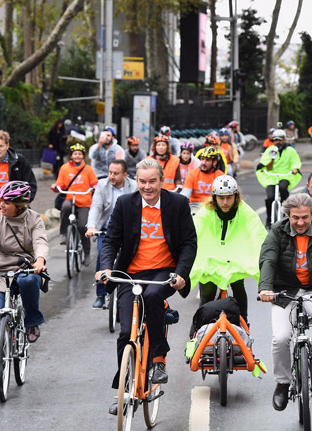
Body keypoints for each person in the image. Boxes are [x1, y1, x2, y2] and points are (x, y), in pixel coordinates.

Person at [96, 158, 196, 415]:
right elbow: (110, 241)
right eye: (142, 181)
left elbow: (188, 243)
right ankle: (124, 389)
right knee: (124, 333)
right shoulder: (125, 204)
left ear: (162, 181)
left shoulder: (178, 204)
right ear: (136, 180)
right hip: (131, 273)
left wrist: (181, 274)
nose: (147, 187)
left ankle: (159, 360)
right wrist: (107, 268)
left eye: (152, 181)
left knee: (152, 298)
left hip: (164, 272)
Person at [258, 193, 312, 411]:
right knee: (281, 338)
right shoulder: (277, 231)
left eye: (305, 217)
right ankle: (282, 383)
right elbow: (268, 259)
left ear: (311, 215)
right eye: (295, 217)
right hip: (284, 291)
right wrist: (265, 288)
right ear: (288, 216)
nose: (300, 222)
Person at [0, 181, 48, 381]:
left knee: (29, 281)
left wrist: (40, 260)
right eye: (1, 200)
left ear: (20, 204)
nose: (1, 205)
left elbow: (40, 241)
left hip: (25, 266)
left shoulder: (34, 219)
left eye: (6, 202)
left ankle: (32, 322)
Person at [190, 175, 267, 323]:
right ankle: (198, 331)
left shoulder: (244, 210)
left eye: (229, 198)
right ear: (214, 197)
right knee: (207, 294)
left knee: (238, 287)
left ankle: (244, 324)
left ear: (236, 197)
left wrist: (265, 256)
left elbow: (257, 233)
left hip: (235, 258)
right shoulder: (206, 211)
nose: (225, 202)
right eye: (221, 198)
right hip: (210, 258)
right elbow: (192, 233)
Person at [86, 159, 138, 309]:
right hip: (107, 230)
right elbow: (95, 207)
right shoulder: (102, 185)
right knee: (103, 256)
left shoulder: (134, 187)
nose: (111, 176)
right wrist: (91, 226)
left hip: (128, 231)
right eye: (110, 172)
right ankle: (101, 295)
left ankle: (132, 293)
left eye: (116, 173)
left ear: (125, 175)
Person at [51, 142, 98, 266]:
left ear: (83, 156)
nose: (77, 156)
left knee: (83, 226)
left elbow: (95, 183)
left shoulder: (88, 169)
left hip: (85, 201)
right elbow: (60, 183)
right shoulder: (64, 168)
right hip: (70, 198)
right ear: (71, 155)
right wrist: (56, 187)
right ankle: (64, 234)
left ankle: (86, 254)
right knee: (65, 207)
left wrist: (94, 187)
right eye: (75, 154)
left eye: (80, 154)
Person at [255, 129, 302, 230]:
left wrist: (294, 169)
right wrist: (271, 159)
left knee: (283, 188)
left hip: (285, 175)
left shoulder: (290, 150)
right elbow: (266, 166)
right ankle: (269, 218)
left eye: (280, 139)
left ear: (284, 140)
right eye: (276, 140)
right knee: (270, 197)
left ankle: (286, 213)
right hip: (271, 176)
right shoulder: (270, 150)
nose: (278, 142)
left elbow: (295, 161)